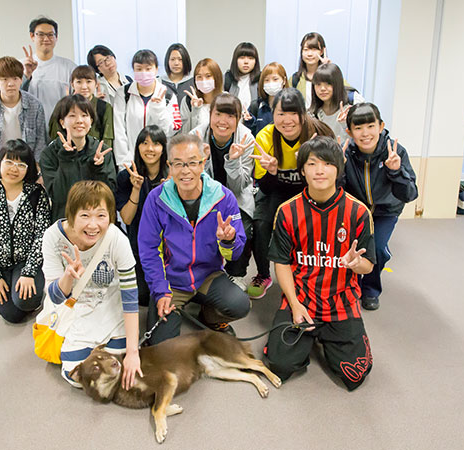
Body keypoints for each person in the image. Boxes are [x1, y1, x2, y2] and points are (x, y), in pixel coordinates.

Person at [265, 136, 376, 391]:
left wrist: (356, 264)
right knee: (279, 365)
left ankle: (331, 334)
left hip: (341, 301)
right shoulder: (287, 211)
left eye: (327, 163)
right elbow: (281, 263)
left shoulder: (358, 212)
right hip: (302, 300)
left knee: (355, 375)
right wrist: (294, 304)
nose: (319, 170)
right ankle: (309, 337)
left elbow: (368, 265)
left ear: (338, 169)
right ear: (302, 169)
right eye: (312, 164)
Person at [138, 134, 250, 344]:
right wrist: (161, 291)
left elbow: (235, 254)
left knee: (240, 304)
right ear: (169, 166)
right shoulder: (156, 200)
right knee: (161, 345)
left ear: (202, 163)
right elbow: (149, 251)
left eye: (192, 163)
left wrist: (228, 241)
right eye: (178, 164)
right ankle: (175, 307)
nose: (185, 170)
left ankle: (209, 317)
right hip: (172, 281)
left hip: (208, 274)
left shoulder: (223, 198)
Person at [40, 180, 141, 389]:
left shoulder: (116, 239)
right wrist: (68, 277)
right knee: (74, 376)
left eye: (101, 216)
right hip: (75, 307)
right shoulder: (52, 237)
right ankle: (90, 345)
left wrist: (133, 352)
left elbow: (130, 298)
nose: (93, 225)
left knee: (119, 365)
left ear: (111, 216)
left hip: (110, 305)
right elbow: (55, 296)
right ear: (71, 214)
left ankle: (107, 345)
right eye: (85, 215)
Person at [249, 88, 333, 299]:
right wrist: (272, 172)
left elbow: (331, 180)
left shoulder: (320, 134)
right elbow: (265, 188)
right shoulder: (265, 137)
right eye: (280, 113)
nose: (287, 120)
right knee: (260, 223)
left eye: (292, 113)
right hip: (276, 189)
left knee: (315, 226)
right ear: (273, 114)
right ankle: (262, 274)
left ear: (303, 114)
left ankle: (314, 274)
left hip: (311, 194)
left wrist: (307, 162)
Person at [0, 56, 46, 271]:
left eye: (15, 78)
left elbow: (41, 140)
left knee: (28, 211)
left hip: (25, 165)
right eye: (4, 79)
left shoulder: (33, 104)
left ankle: (30, 255)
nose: (11, 83)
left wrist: (39, 171)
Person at [342, 103, 418, 310]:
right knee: (351, 249)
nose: (365, 133)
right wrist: (338, 169)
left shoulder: (395, 151)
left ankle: (370, 290)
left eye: (370, 126)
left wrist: (395, 171)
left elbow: (410, 193)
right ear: (349, 131)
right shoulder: (346, 151)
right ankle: (350, 285)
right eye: (358, 128)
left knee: (376, 250)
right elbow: (338, 191)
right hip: (356, 211)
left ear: (381, 126)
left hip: (386, 211)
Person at [0, 140, 51, 323]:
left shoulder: (36, 194)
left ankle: (35, 294)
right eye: (9, 162)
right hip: (0, 264)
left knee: (26, 301)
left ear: (28, 168)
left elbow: (41, 236)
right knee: (11, 315)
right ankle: (8, 285)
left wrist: (29, 272)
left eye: (21, 164)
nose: (14, 169)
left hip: (26, 260)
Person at [190, 93, 255, 291]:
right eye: (218, 114)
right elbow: (189, 179)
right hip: (201, 197)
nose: (223, 121)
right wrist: (201, 161)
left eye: (230, 116)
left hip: (235, 198)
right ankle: (203, 272)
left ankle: (236, 273)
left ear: (238, 118)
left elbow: (240, 186)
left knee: (243, 226)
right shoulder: (197, 136)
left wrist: (234, 161)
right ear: (210, 115)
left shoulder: (246, 138)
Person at [115, 125, 169, 307]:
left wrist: (171, 193)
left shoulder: (173, 175)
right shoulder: (126, 176)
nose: (150, 149)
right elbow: (127, 219)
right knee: (142, 297)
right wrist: (136, 190)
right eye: (144, 143)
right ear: (137, 146)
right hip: (138, 248)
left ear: (164, 148)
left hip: (169, 249)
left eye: (156, 143)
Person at [40, 94, 116, 222]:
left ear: (91, 121)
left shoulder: (102, 151)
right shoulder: (50, 153)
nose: (79, 120)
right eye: (72, 115)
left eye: (84, 115)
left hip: (96, 224)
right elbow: (58, 195)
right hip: (65, 223)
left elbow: (110, 195)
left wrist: (98, 169)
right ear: (62, 122)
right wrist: (66, 159)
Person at [113, 49, 180, 171]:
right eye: (139, 69)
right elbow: (119, 131)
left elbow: (168, 131)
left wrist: (158, 108)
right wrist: (125, 162)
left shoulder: (168, 95)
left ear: (156, 69)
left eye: (148, 69)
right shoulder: (123, 93)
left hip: (159, 162)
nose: (143, 73)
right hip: (130, 162)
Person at [21, 17, 76, 125]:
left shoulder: (69, 67)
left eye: (51, 34)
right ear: (32, 36)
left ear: (56, 37)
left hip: (60, 128)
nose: (46, 39)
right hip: (30, 130)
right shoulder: (21, 66)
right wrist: (26, 75)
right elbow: (11, 98)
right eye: (40, 34)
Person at [48, 65, 114, 150]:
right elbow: (54, 133)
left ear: (96, 84)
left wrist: (102, 156)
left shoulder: (104, 107)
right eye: (79, 82)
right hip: (66, 154)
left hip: (95, 156)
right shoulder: (63, 105)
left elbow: (107, 138)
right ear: (72, 84)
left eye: (88, 81)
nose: (84, 87)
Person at [310, 63, 365, 142]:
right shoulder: (314, 113)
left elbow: (365, 134)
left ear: (337, 84)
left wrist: (346, 124)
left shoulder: (353, 101)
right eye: (318, 84)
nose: (322, 89)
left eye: (328, 84)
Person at [243, 62, 289, 136]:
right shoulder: (256, 106)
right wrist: (249, 122)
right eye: (266, 80)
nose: (271, 83)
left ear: (284, 80)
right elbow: (250, 134)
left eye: (275, 79)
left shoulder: (291, 105)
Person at [179, 58, 224, 133]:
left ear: (217, 77)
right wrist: (195, 110)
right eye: (199, 77)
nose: (203, 81)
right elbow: (185, 132)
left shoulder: (227, 99)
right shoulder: (188, 100)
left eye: (208, 76)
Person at [290, 32, 329, 109]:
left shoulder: (330, 76)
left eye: (314, 49)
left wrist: (327, 68)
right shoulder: (295, 79)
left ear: (321, 52)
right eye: (306, 50)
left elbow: (347, 93)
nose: (309, 54)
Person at [224, 42, 261, 111]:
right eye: (242, 58)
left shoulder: (261, 80)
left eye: (250, 58)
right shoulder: (227, 79)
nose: (246, 61)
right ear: (235, 60)